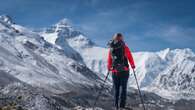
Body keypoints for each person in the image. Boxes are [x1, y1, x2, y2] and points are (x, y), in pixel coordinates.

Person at [107, 33, 135, 110]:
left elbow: (109, 59)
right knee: (123, 89)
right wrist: (132, 65)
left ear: (114, 39)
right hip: (124, 71)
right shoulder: (125, 47)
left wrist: (109, 67)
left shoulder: (111, 48)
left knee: (116, 89)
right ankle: (122, 106)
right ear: (122, 39)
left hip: (115, 71)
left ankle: (116, 106)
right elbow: (130, 57)